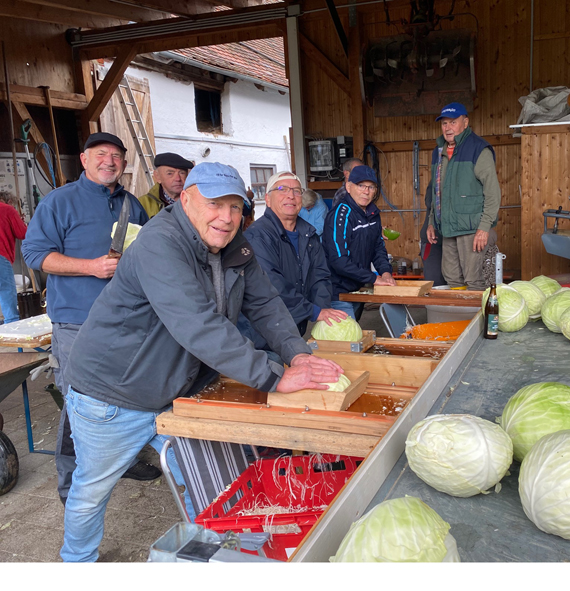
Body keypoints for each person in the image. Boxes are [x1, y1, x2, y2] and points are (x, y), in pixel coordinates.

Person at [59, 162, 343, 562]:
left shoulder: (234, 244)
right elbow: (199, 325)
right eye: (214, 204)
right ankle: (76, 564)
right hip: (113, 392)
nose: (225, 218)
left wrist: (297, 354)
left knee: (206, 482)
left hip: (178, 388)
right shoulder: (161, 243)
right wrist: (274, 377)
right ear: (186, 198)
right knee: (91, 492)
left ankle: (212, 559)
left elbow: (264, 303)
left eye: (234, 207)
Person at [21, 132, 156, 507]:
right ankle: (71, 488)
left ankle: (121, 461)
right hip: (77, 324)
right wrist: (90, 268)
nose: (109, 161)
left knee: (125, 397)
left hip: (128, 322)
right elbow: (34, 254)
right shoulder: (58, 202)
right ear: (83, 159)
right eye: (101, 154)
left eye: (116, 156)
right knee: (79, 405)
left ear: (124, 164)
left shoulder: (131, 205)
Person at [245, 172, 347, 347]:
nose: (290, 195)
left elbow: (320, 275)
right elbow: (271, 283)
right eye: (282, 189)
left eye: (296, 191)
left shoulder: (309, 234)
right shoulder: (257, 236)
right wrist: (312, 311)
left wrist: (322, 309)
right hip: (260, 334)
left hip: (292, 330)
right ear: (268, 199)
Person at [425, 102, 501, 291]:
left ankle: (477, 319)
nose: (448, 128)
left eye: (453, 122)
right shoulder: (439, 151)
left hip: (472, 229)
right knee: (452, 277)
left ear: (465, 122)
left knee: (474, 278)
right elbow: (437, 190)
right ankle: (460, 319)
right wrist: (431, 221)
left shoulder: (478, 149)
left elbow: (492, 192)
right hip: (448, 228)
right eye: (444, 124)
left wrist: (484, 228)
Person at [323, 165, 396, 319]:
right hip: (337, 290)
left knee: (354, 333)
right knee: (348, 338)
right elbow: (339, 261)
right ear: (349, 187)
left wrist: (386, 272)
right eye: (361, 185)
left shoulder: (372, 213)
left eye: (371, 187)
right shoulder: (339, 215)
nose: (366, 191)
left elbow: (378, 247)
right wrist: (374, 278)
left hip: (358, 287)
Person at [138, 152, 194, 219]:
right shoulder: (142, 204)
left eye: (182, 173)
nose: (178, 179)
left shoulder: (196, 200)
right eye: (170, 173)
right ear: (157, 176)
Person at [0, 191, 27, 324]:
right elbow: (22, 233)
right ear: (10, 201)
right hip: (1, 255)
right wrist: (22, 222)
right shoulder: (8, 209)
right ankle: (12, 323)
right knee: (6, 291)